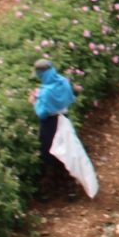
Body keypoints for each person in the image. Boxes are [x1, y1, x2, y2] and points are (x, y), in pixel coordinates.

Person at [29, 58, 76, 200]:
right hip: (65, 121)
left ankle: (46, 192)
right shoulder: (63, 82)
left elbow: (41, 113)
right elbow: (70, 99)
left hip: (50, 125)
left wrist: (34, 100)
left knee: (48, 154)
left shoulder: (45, 92)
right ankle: (70, 189)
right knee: (66, 152)